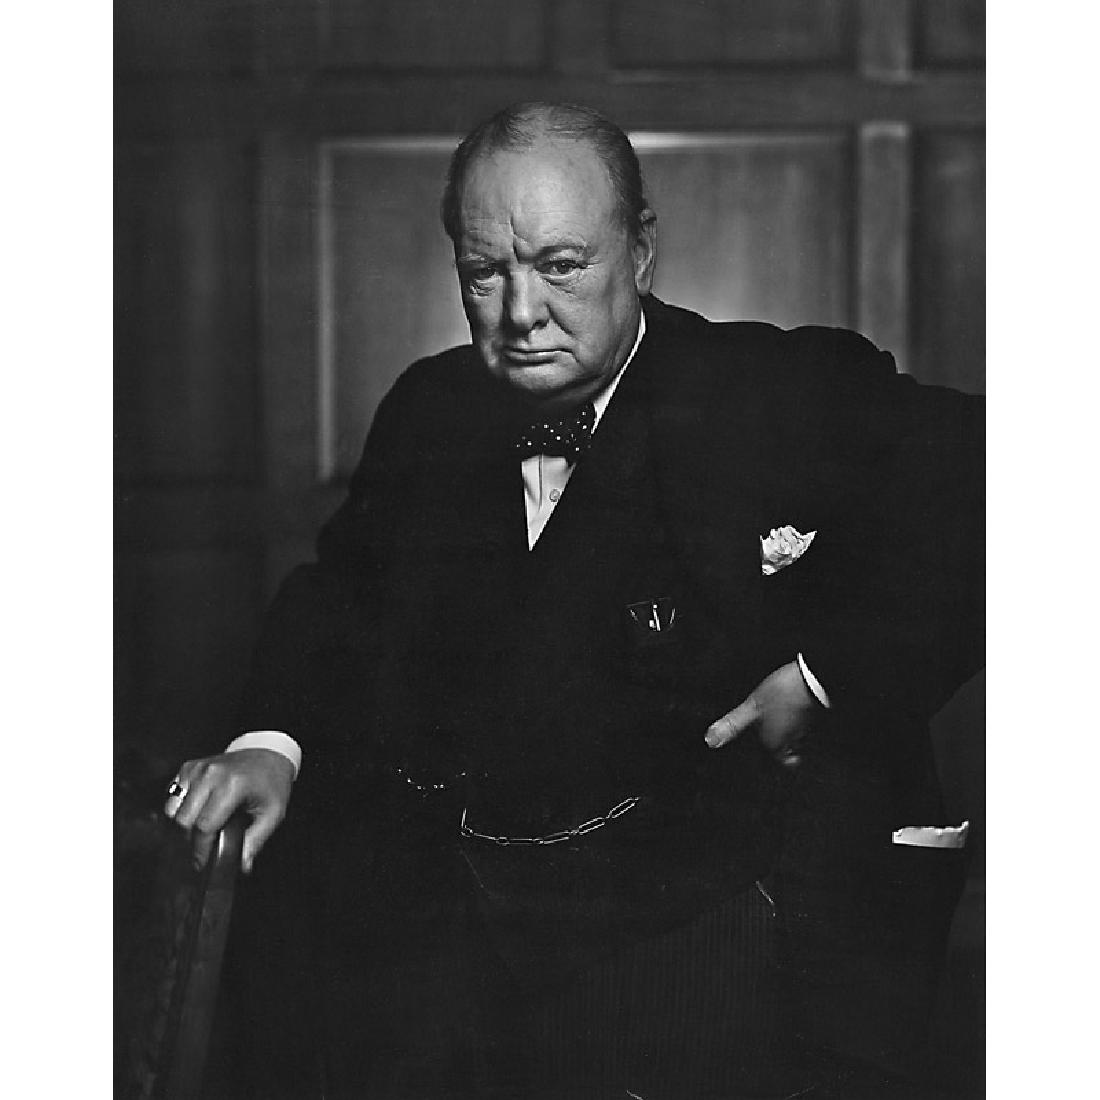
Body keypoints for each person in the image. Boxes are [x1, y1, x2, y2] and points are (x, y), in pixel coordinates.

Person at [165, 102, 983, 1098]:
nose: (520, 312)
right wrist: (271, 742)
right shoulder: (429, 407)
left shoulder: (775, 386)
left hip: (732, 955)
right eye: (485, 272)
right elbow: (339, 598)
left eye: (559, 266)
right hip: (480, 964)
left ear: (638, 251)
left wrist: (824, 677)